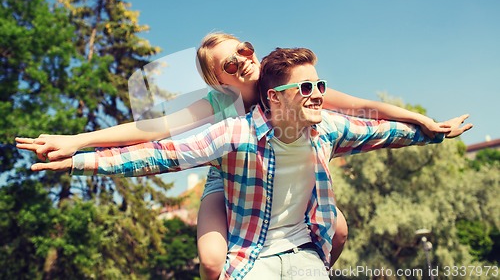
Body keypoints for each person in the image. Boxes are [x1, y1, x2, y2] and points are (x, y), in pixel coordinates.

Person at [17, 33, 453, 280]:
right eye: (229, 64)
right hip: (225, 179)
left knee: (336, 226)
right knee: (211, 260)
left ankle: (305, 261)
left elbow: (360, 108)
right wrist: (78, 142)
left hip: (284, 179)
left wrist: (421, 120)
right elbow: (153, 135)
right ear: (217, 78)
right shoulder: (218, 107)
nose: (243, 62)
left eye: (243, 50)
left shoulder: (286, 82)